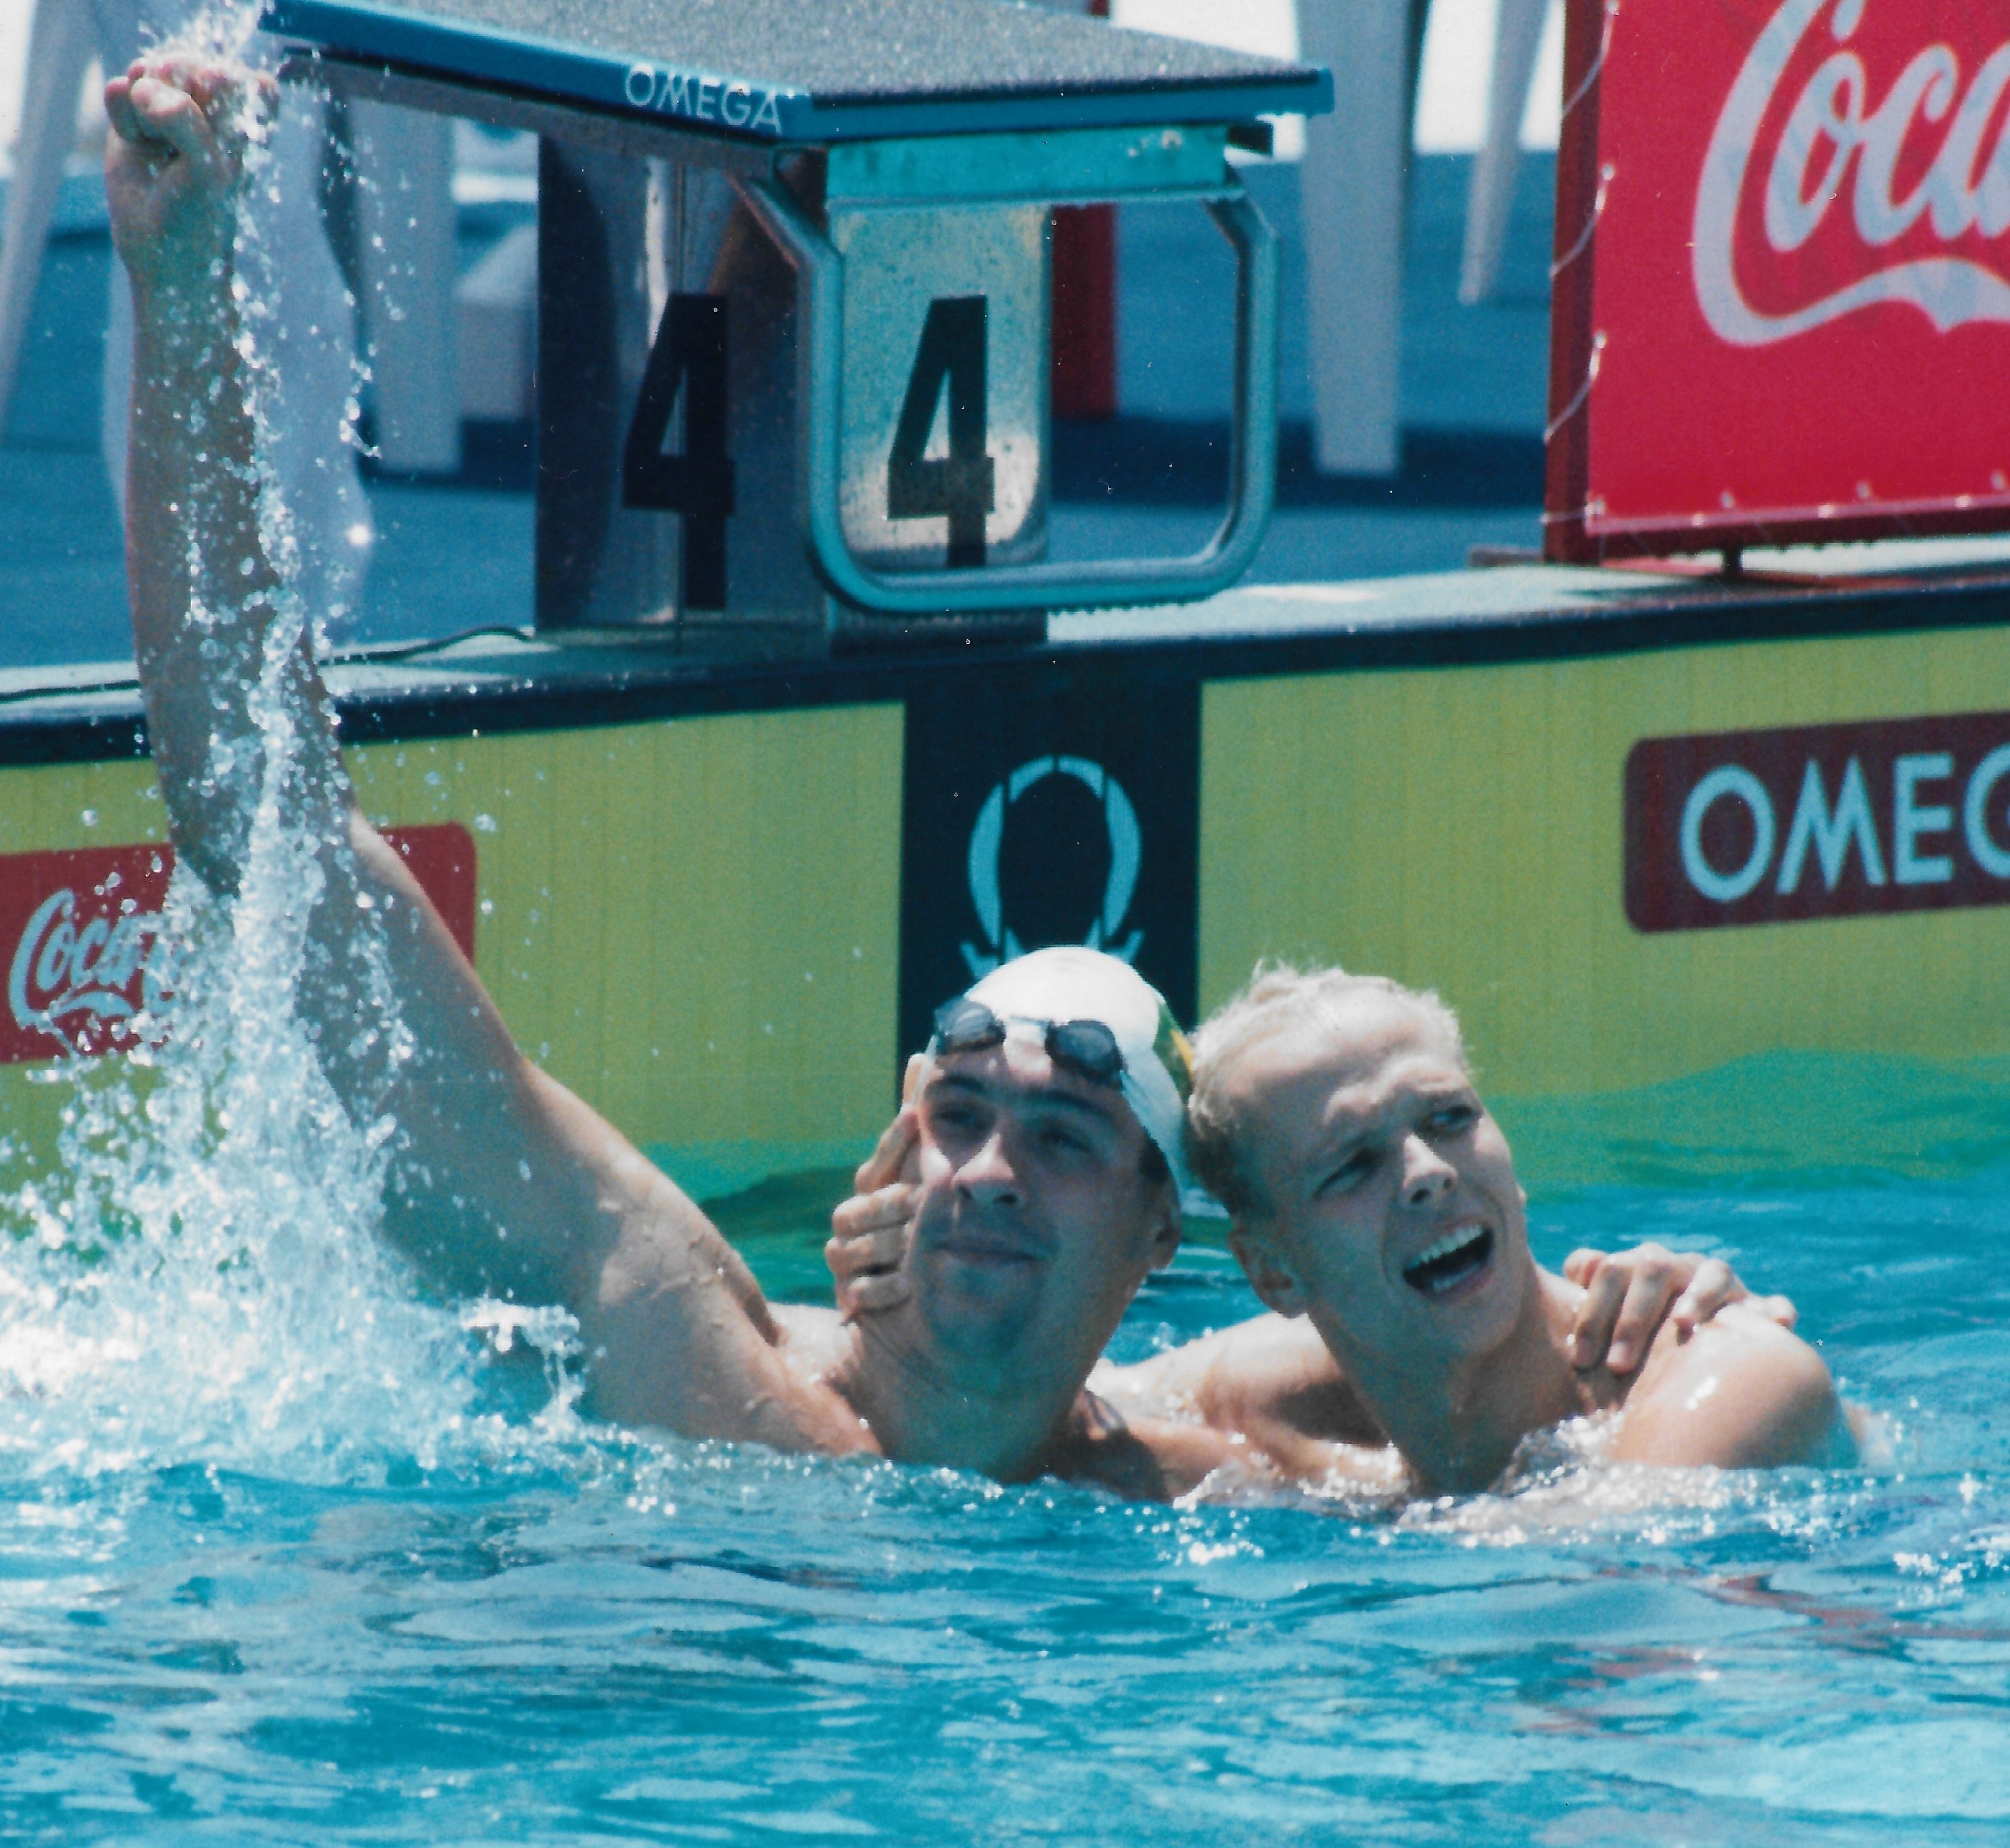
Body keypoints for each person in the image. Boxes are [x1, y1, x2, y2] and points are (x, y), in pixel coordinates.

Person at [106, 55, 1769, 1502]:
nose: (984, 1171)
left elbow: (1424, 1392)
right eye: (957, 1120)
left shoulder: (1213, 1493)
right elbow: (255, 812)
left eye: (1057, 1138)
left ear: (1146, 1250)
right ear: (882, 1174)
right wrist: (177, 293)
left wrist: (1616, 1327)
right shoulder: (677, 1338)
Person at [1171, 966, 1853, 1491]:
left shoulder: (1725, 1377)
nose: (1427, 1172)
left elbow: (1598, 1612)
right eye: (1351, 1166)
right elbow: (1079, 1412)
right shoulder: (1275, 1402)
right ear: (1273, 1272)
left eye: (1449, 1118)